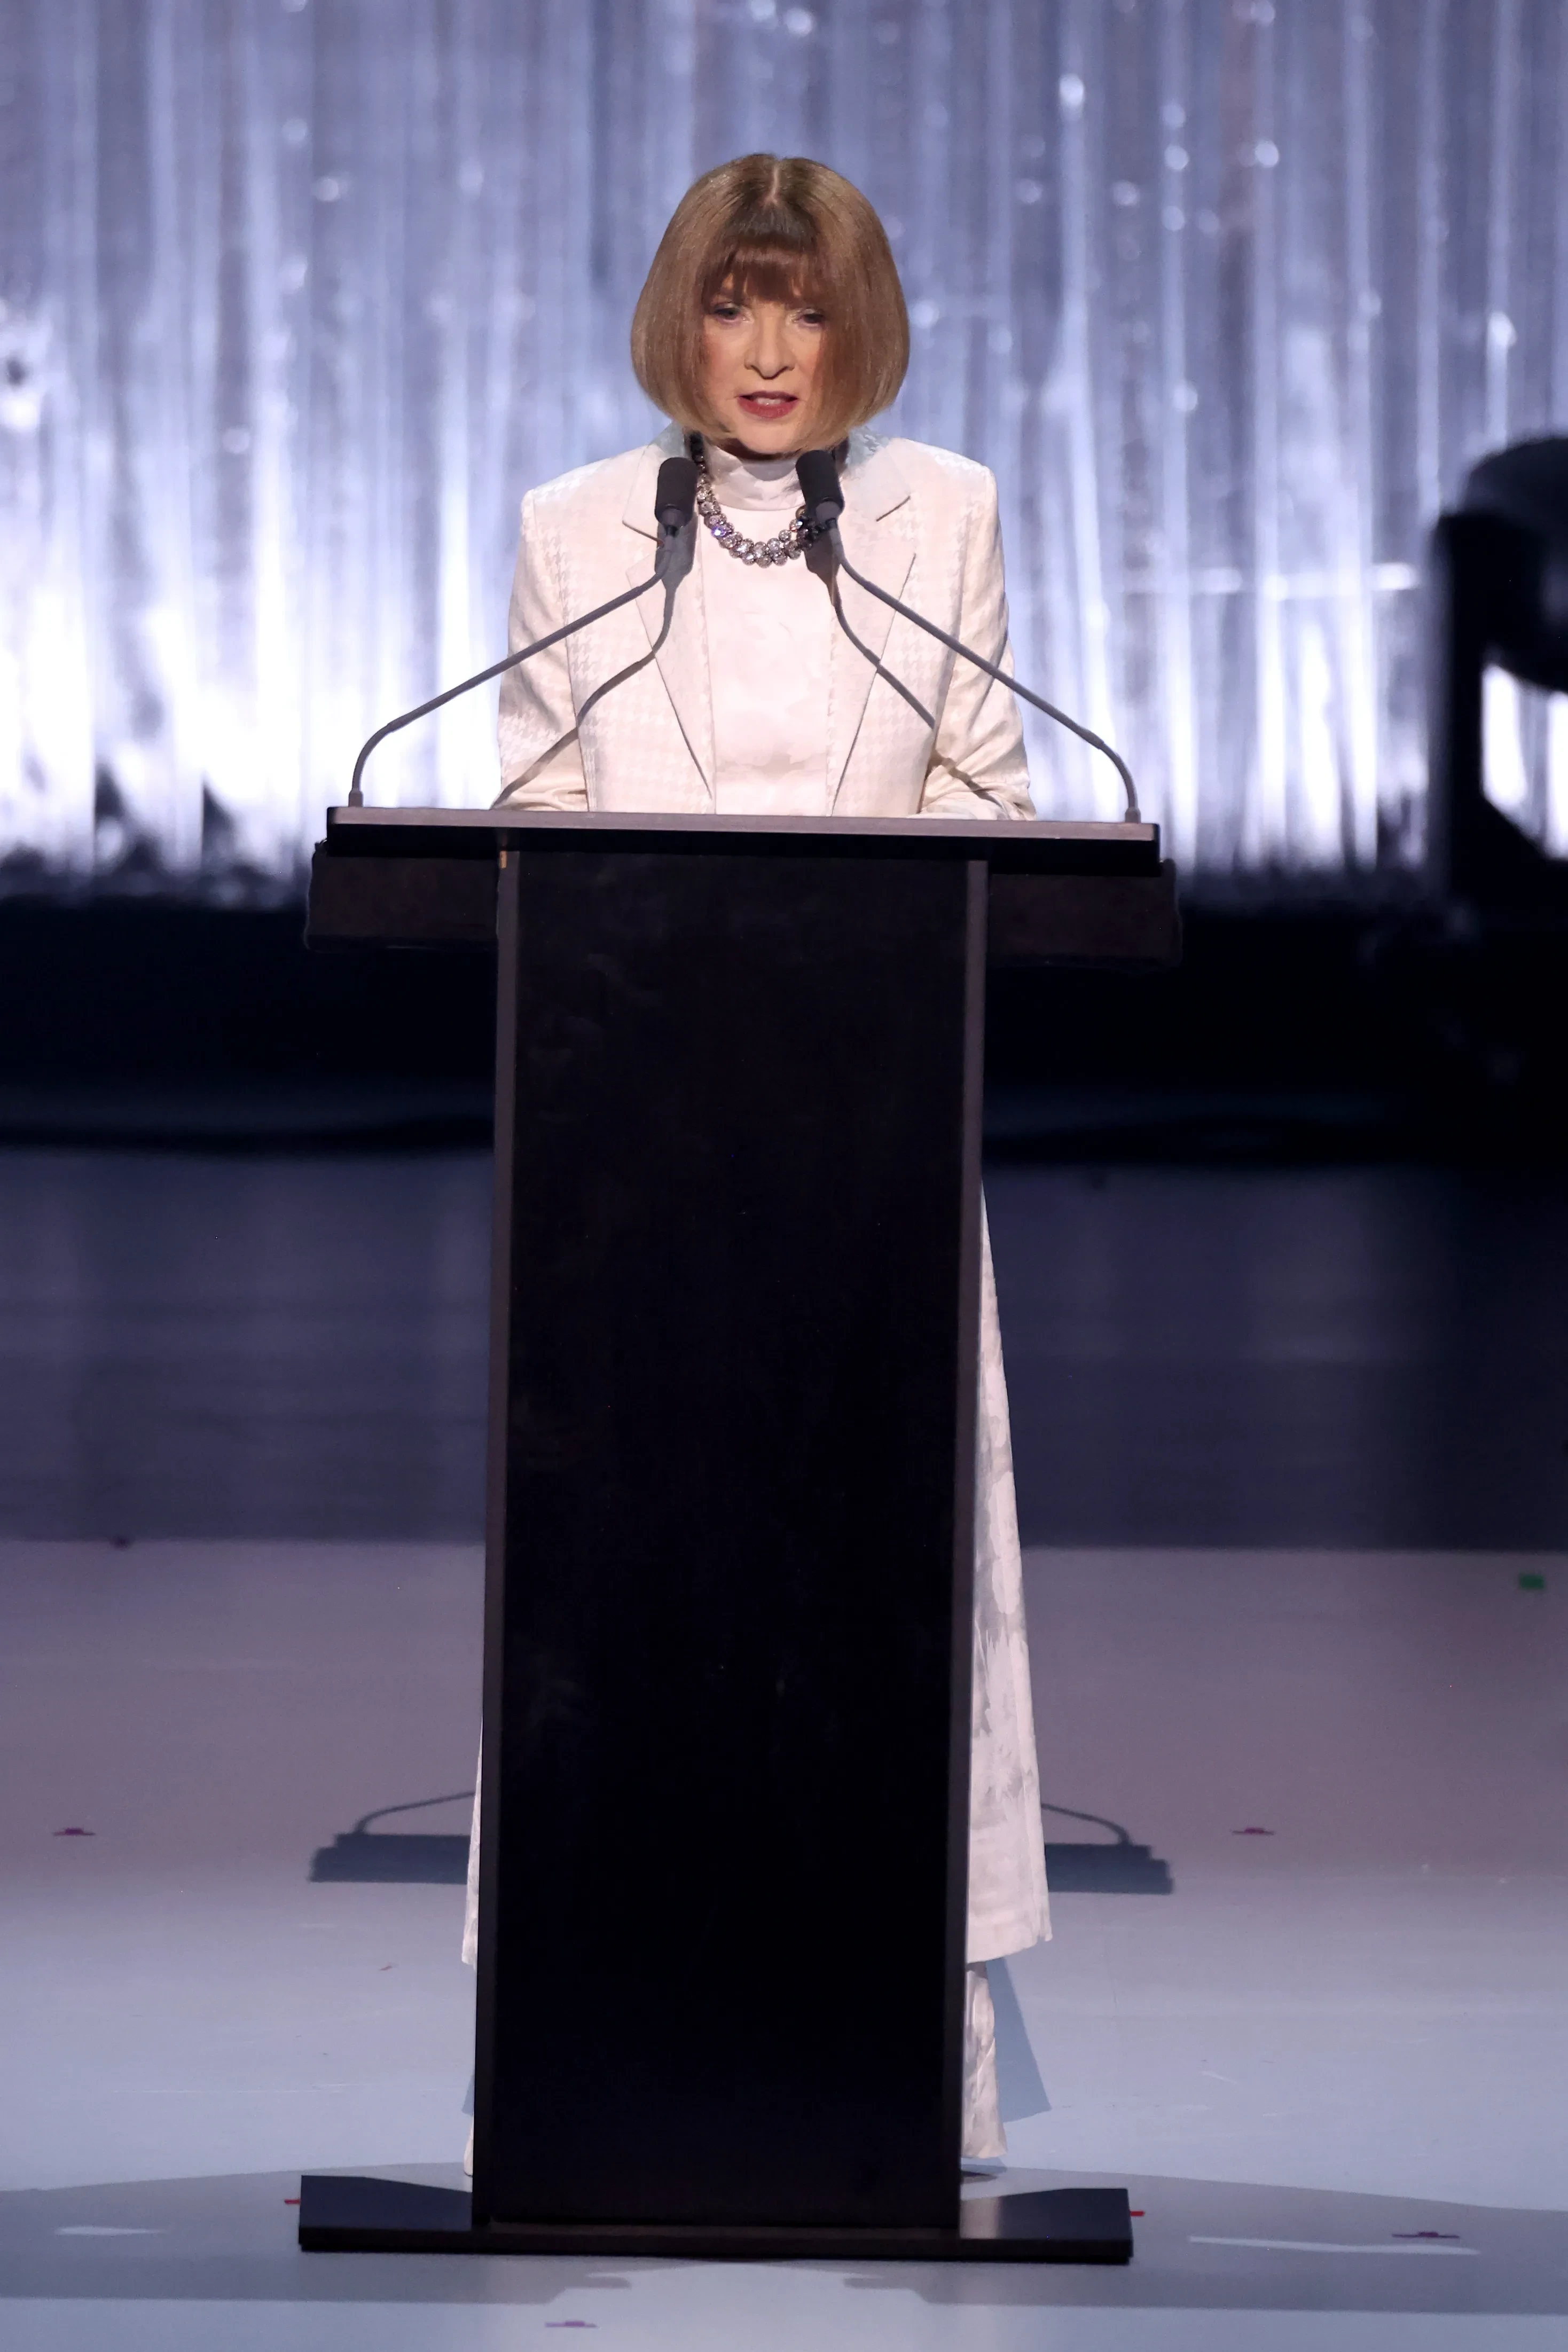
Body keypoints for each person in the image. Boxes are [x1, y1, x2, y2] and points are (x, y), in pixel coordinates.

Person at [462, 152, 1049, 2168]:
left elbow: (994, 794)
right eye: (733, 305)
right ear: (680, 325)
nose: (772, 349)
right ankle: (602, 2052)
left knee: (882, 1609)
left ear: (857, 326)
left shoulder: (942, 516)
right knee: (628, 1605)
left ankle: (890, 2066)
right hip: (632, 1174)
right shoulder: (575, 530)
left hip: (876, 1162)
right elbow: (535, 809)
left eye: (804, 305)